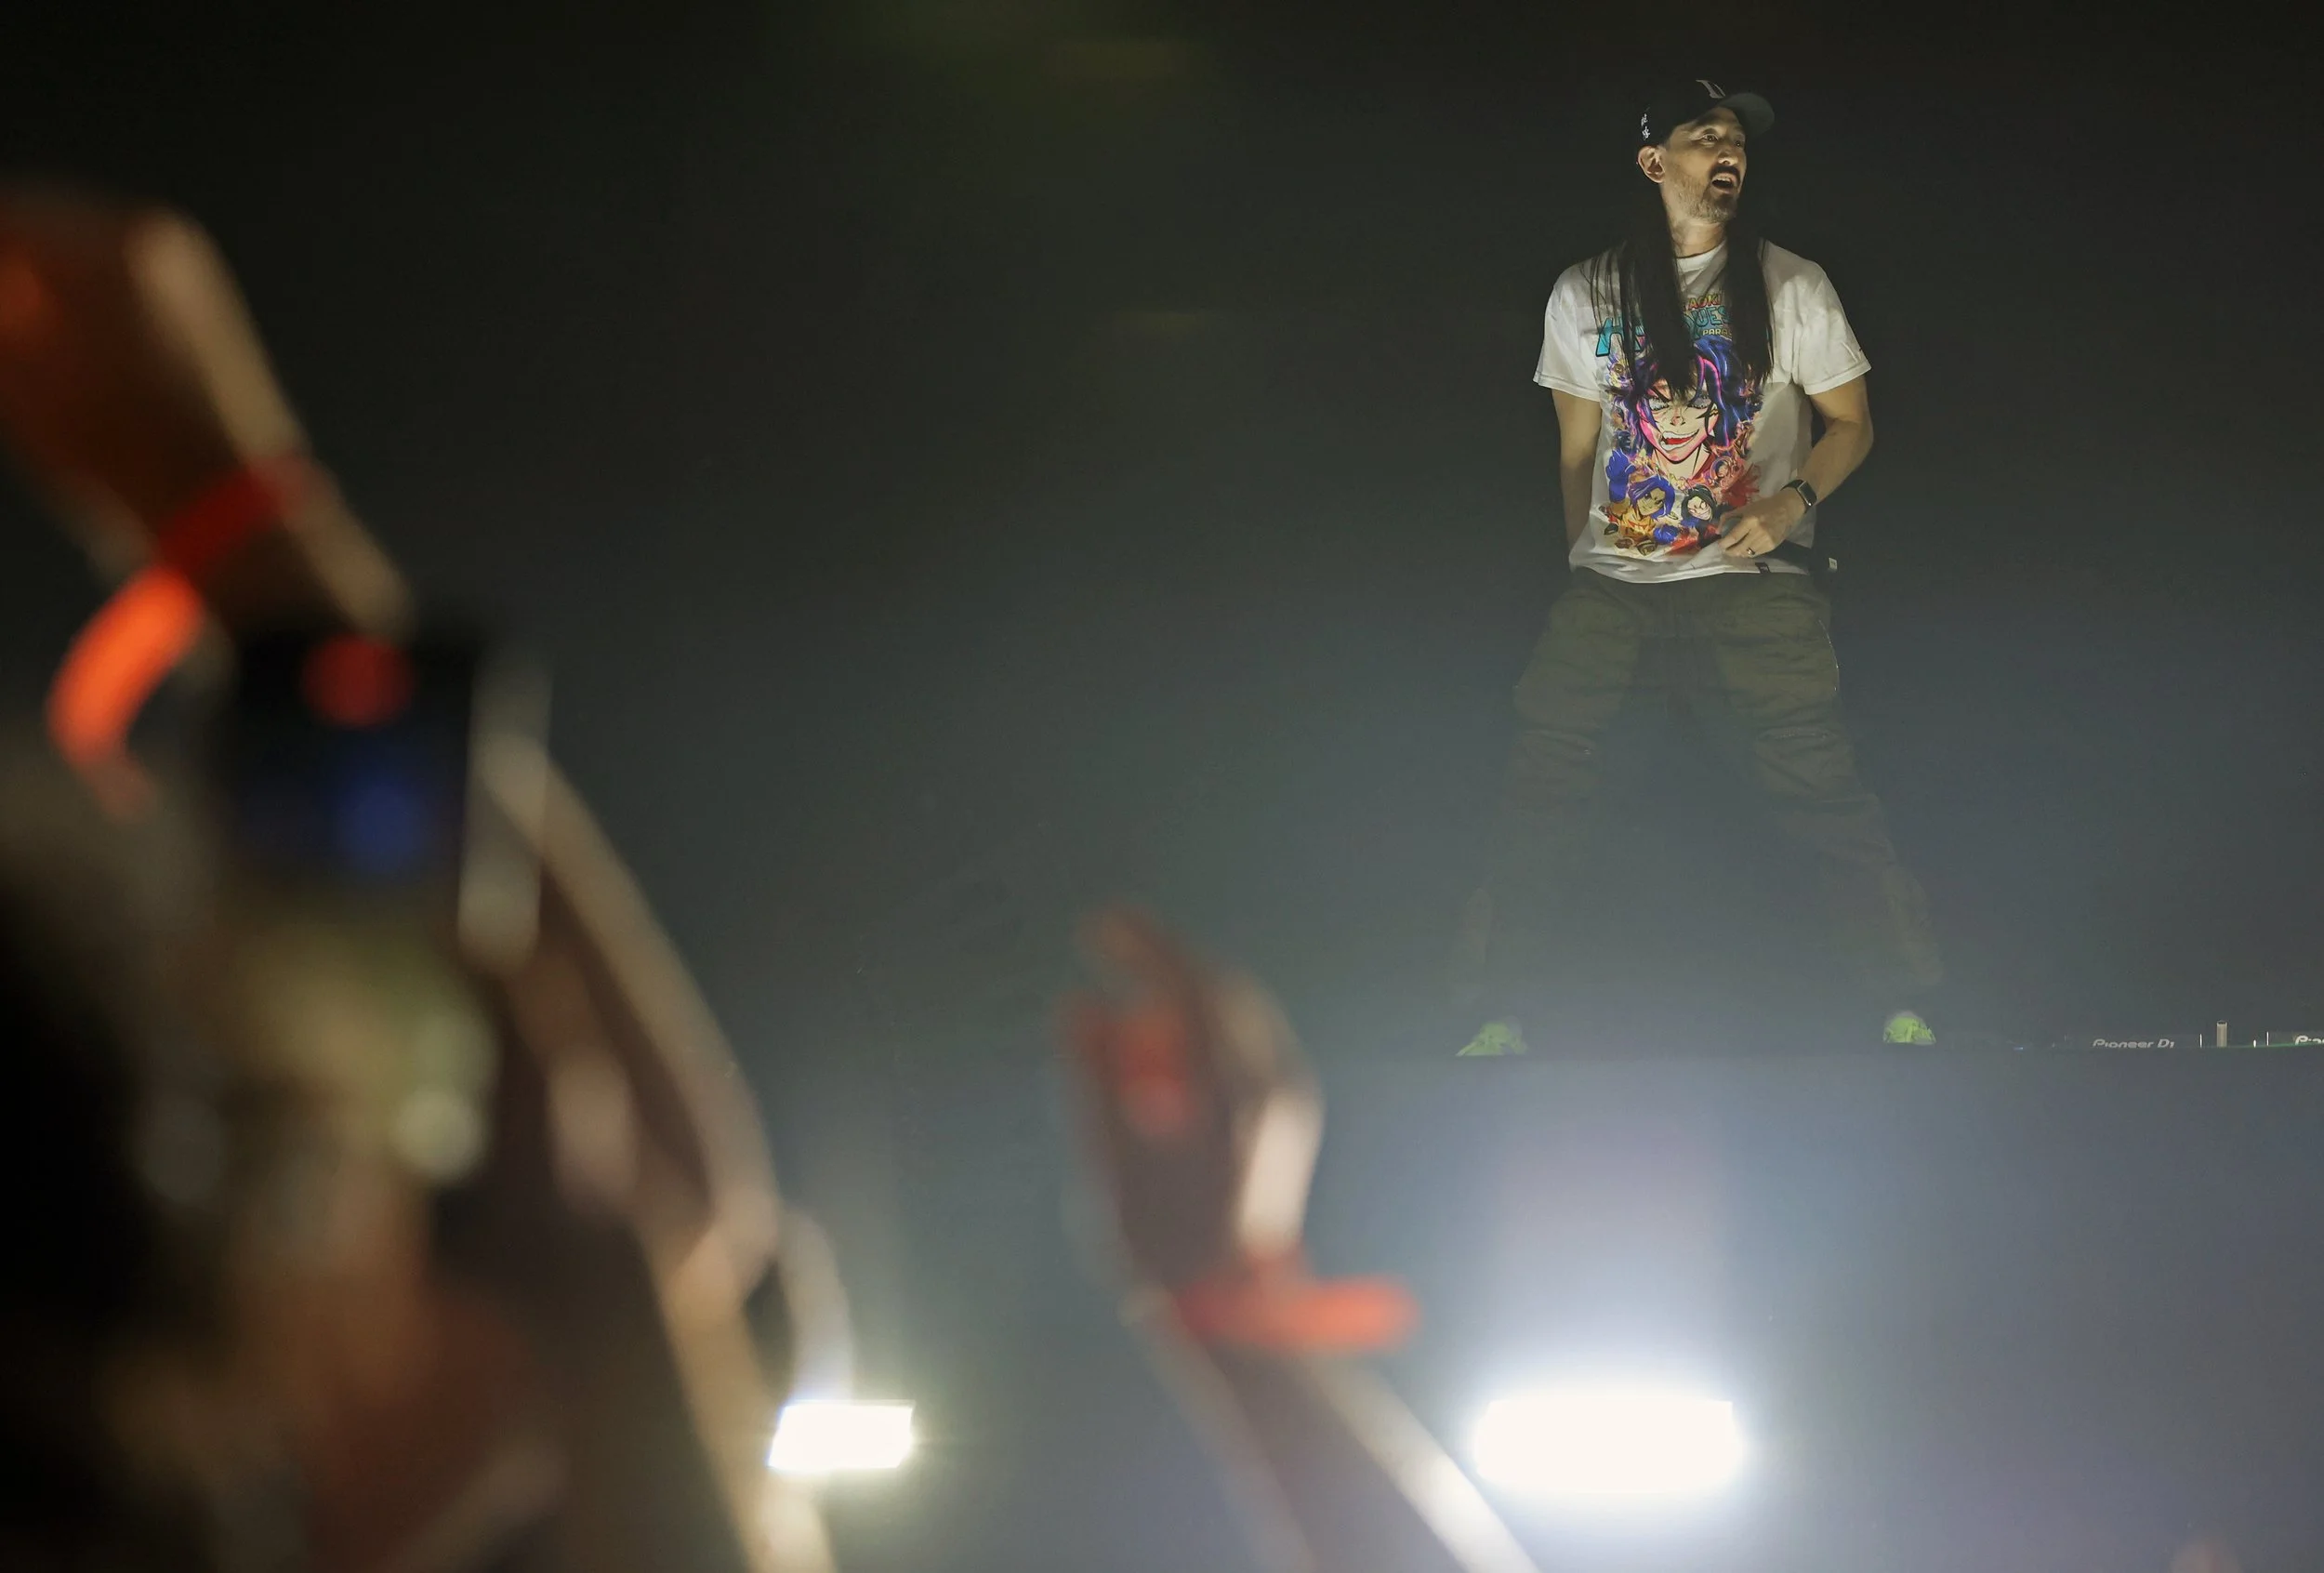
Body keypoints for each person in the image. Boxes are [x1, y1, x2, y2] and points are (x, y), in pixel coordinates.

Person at [1453, 77, 1944, 1055]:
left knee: (1821, 789)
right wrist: (1586, 560)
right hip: (1613, 591)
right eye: (1705, 136)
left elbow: (1851, 424)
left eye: (1738, 143)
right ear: (1654, 162)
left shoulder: (1789, 283)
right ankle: (1489, 1014)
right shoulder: (1586, 290)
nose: (1728, 154)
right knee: (1542, 791)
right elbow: (1574, 449)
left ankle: (1904, 1007)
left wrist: (1791, 503)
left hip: (1755, 589)